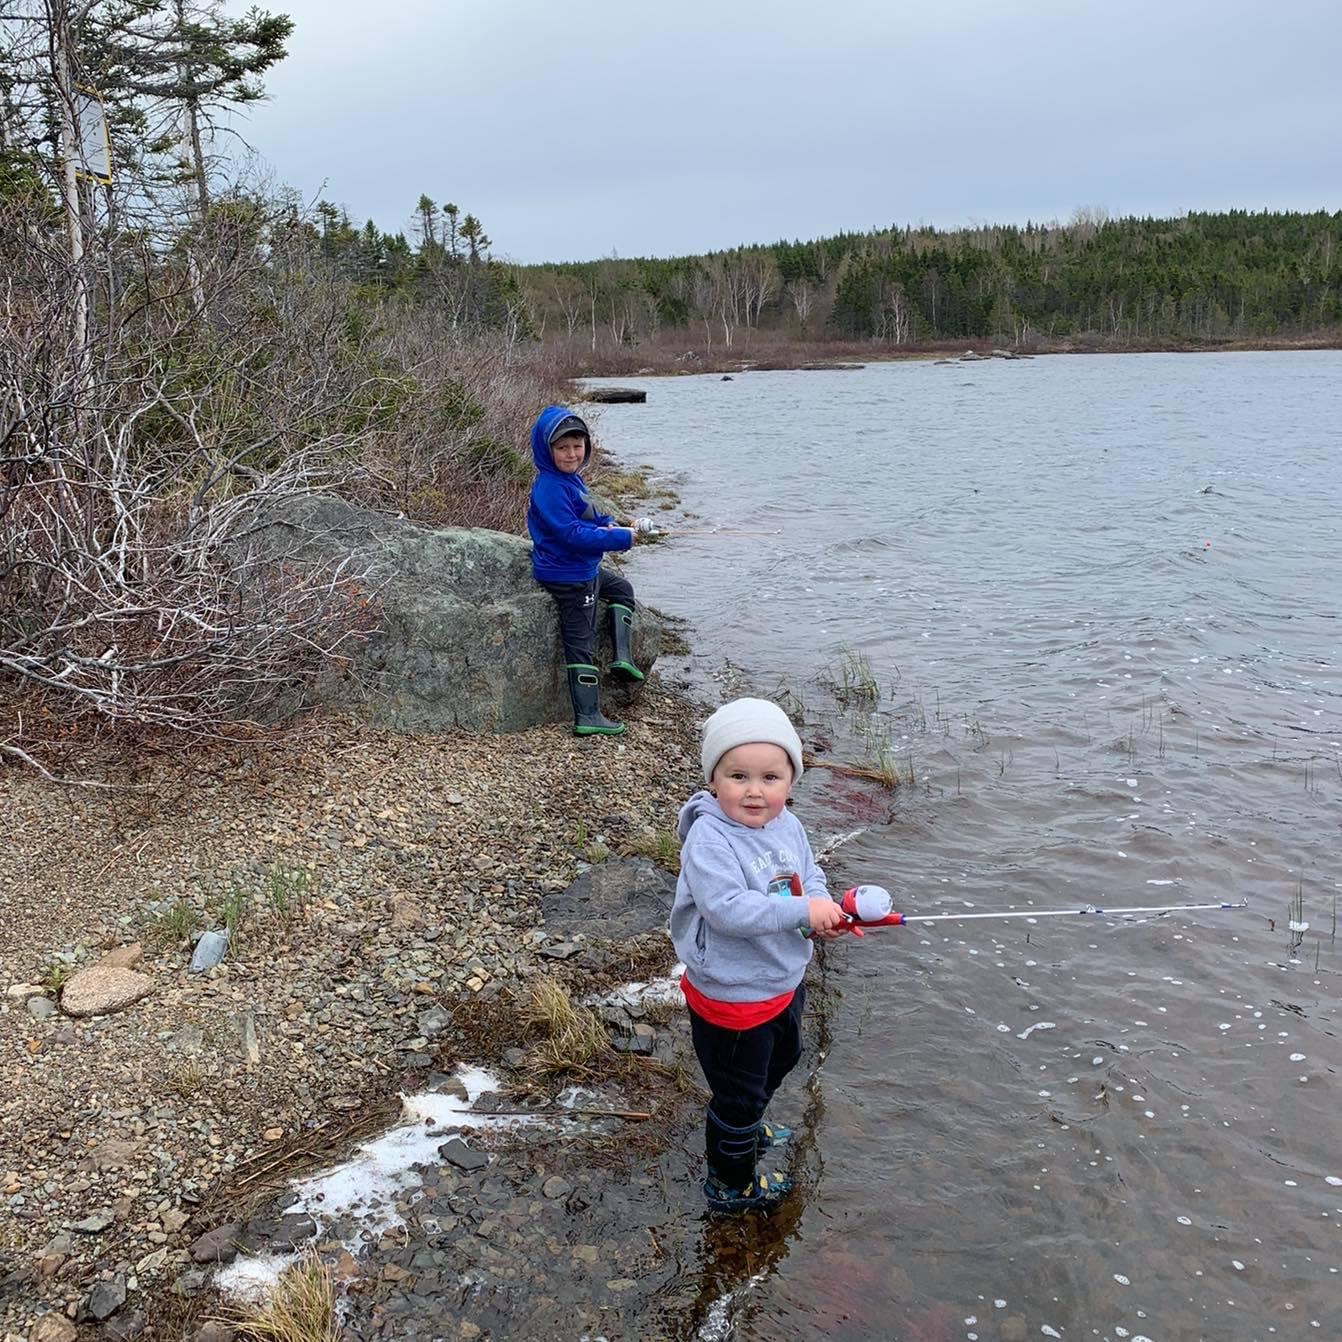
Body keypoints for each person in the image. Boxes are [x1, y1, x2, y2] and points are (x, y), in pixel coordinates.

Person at [671, 698, 883, 1213]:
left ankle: (743, 1124)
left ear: (791, 779)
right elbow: (727, 911)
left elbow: (807, 878)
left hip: (782, 976)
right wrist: (801, 913)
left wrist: (824, 913)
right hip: (733, 993)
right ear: (713, 780)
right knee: (738, 1095)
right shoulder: (709, 837)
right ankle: (730, 1181)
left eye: (770, 777)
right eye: (737, 775)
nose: (754, 790)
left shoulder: (788, 824)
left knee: (784, 1057)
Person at [526, 405, 654, 737]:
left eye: (577, 446)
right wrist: (620, 539)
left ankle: (622, 658)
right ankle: (588, 715)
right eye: (562, 447)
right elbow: (570, 534)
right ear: (547, 449)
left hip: (584, 569)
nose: (571, 454)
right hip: (568, 576)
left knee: (622, 590)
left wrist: (616, 524)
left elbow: (591, 515)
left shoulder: (571, 480)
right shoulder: (549, 488)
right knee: (579, 641)